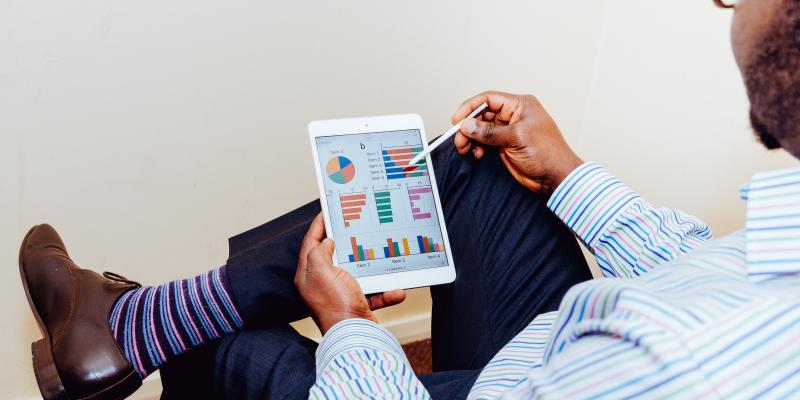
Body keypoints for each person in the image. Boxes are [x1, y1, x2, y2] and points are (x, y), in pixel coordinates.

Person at [17, 0, 800, 398]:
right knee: (478, 163)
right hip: (558, 363)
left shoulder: (688, 367)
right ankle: (120, 327)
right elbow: (709, 272)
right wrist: (568, 172)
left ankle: (137, 328)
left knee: (226, 350)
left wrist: (351, 327)